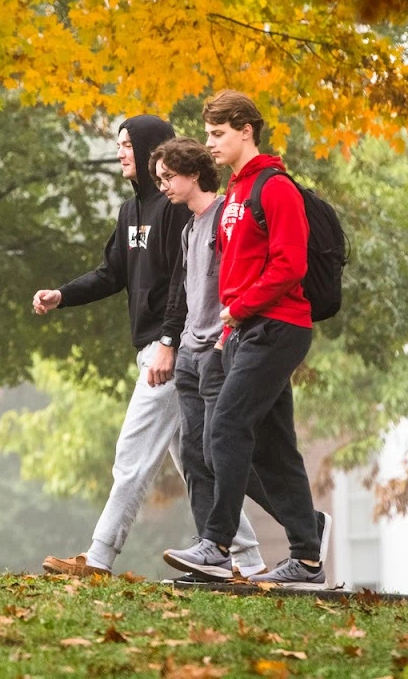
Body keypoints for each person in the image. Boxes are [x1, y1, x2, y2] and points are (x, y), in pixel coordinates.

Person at [33, 116, 265, 578]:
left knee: (133, 453)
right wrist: (62, 295)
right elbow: (111, 273)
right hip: (154, 349)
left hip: (173, 352)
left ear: (148, 148)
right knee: (198, 464)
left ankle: (98, 558)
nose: (120, 153)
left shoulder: (177, 204)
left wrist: (169, 343)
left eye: (126, 145)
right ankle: (251, 559)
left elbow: (187, 281)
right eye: (117, 145)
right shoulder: (129, 212)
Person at [163, 90, 330, 588]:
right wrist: (226, 330)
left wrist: (240, 308)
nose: (210, 143)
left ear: (245, 131)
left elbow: (290, 264)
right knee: (273, 449)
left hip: (279, 326)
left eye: (218, 134)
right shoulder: (236, 193)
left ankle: (215, 544)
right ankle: (308, 554)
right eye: (209, 133)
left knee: (226, 427)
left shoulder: (275, 188)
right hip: (242, 332)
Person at [153, 136, 272, 583]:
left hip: (221, 350)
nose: (163, 186)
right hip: (190, 352)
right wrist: (177, 344)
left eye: (169, 177)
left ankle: (302, 522)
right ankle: (211, 554)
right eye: (159, 179)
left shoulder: (228, 214)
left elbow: (243, 280)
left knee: (220, 450)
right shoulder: (188, 228)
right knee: (194, 455)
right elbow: (184, 293)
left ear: (194, 173)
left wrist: (227, 337)